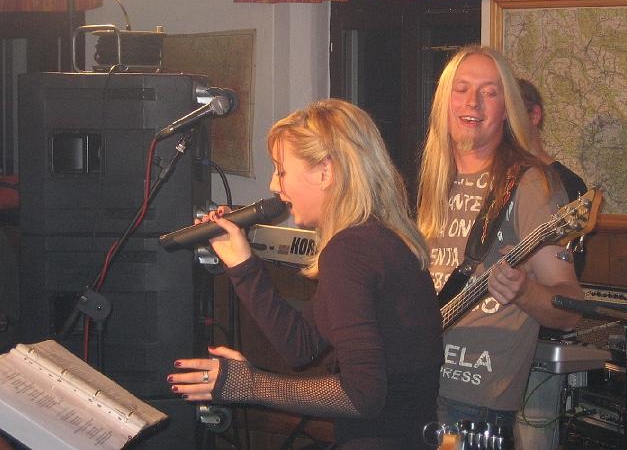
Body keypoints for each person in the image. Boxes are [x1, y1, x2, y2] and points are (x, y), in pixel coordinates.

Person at [168, 99, 443, 449]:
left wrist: (249, 385)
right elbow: (300, 345)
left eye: (281, 171)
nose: (273, 184)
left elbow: (362, 395)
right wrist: (242, 265)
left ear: (325, 172)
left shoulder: (351, 250)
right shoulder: (374, 241)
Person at [416, 45, 584, 448]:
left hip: (475, 404)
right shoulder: (435, 178)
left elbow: (570, 307)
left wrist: (524, 291)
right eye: (461, 89)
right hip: (419, 383)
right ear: (443, 102)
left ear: (507, 108)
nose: (472, 102)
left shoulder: (531, 184)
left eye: (489, 92)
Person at [518, 78, 588, 279]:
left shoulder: (569, 183)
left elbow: (572, 265)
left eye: (512, 116)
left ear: (534, 115)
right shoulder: (492, 181)